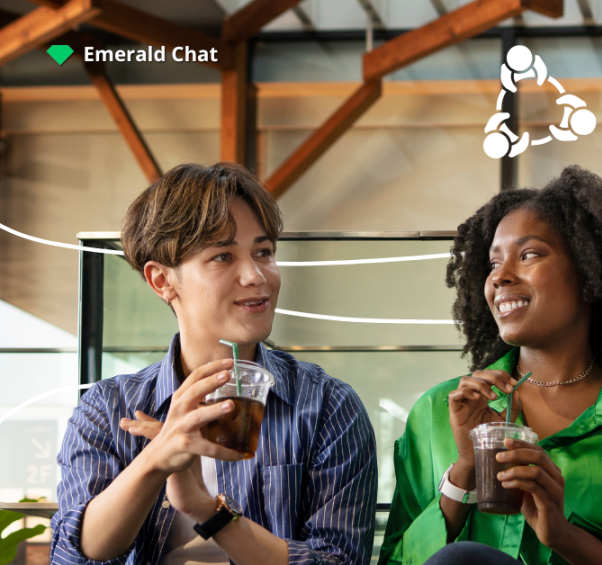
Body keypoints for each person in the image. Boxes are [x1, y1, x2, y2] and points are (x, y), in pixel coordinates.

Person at [51, 162, 378, 565]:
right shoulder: (109, 409)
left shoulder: (326, 405)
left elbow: (340, 561)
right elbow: (73, 556)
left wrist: (208, 510)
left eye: (264, 252)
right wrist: (156, 460)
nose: (256, 275)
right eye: (223, 256)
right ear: (162, 281)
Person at [379, 165, 602, 565]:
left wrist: (564, 535)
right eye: (494, 264)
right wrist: (462, 474)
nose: (500, 277)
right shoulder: (438, 413)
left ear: (589, 274)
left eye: (528, 255)